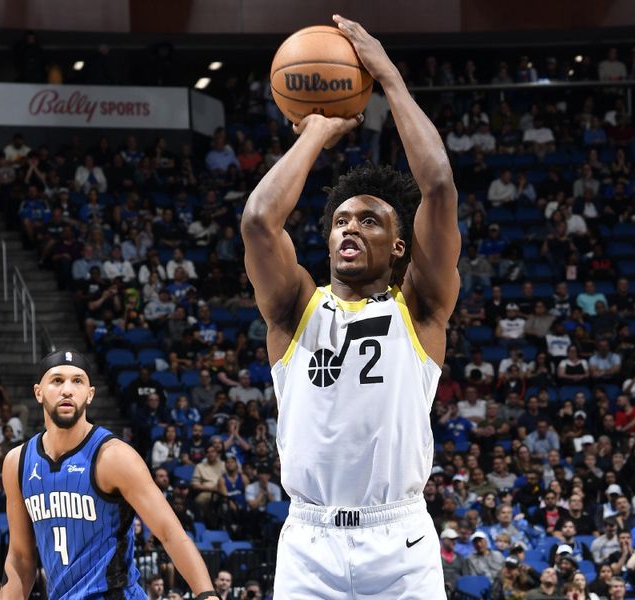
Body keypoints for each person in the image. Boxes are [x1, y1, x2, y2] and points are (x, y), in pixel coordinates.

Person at [240, 14, 459, 599]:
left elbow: (437, 184)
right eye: (340, 221)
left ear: (400, 244)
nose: (350, 229)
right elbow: (260, 221)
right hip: (309, 544)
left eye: (369, 220)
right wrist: (314, 131)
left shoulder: (421, 308)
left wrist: (388, 78)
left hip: (401, 542)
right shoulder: (293, 309)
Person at [0, 349, 219, 599]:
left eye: (78, 381)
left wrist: (206, 594)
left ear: (90, 394)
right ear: (38, 392)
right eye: (57, 380)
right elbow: (20, 558)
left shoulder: (115, 457)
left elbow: (170, 533)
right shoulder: (17, 462)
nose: (67, 390)